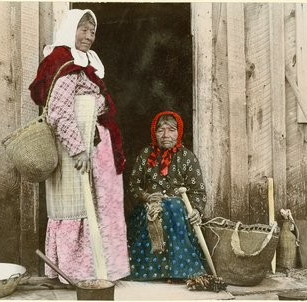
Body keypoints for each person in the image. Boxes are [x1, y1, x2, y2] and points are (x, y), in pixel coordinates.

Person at [28, 9, 130, 282]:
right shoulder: (61, 60)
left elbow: (96, 101)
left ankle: (100, 269)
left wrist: (98, 104)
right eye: (83, 29)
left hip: (94, 141)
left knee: (98, 204)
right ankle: (78, 272)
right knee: (78, 203)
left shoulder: (88, 63)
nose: (88, 36)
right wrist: (77, 149)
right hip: (75, 145)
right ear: (70, 29)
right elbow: (59, 111)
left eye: (92, 31)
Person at [126, 111, 207, 281]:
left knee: (174, 207)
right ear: (154, 133)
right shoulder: (146, 155)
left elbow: (197, 191)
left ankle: (180, 271)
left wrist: (197, 211)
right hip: (149, 207)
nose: (165, 135)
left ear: (179, 132)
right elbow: (133, 185)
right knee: (157, 210)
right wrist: (147, 197)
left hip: (178, 212)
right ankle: (150, 271)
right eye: (160, 130)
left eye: (171, 130)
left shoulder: (187, 158)